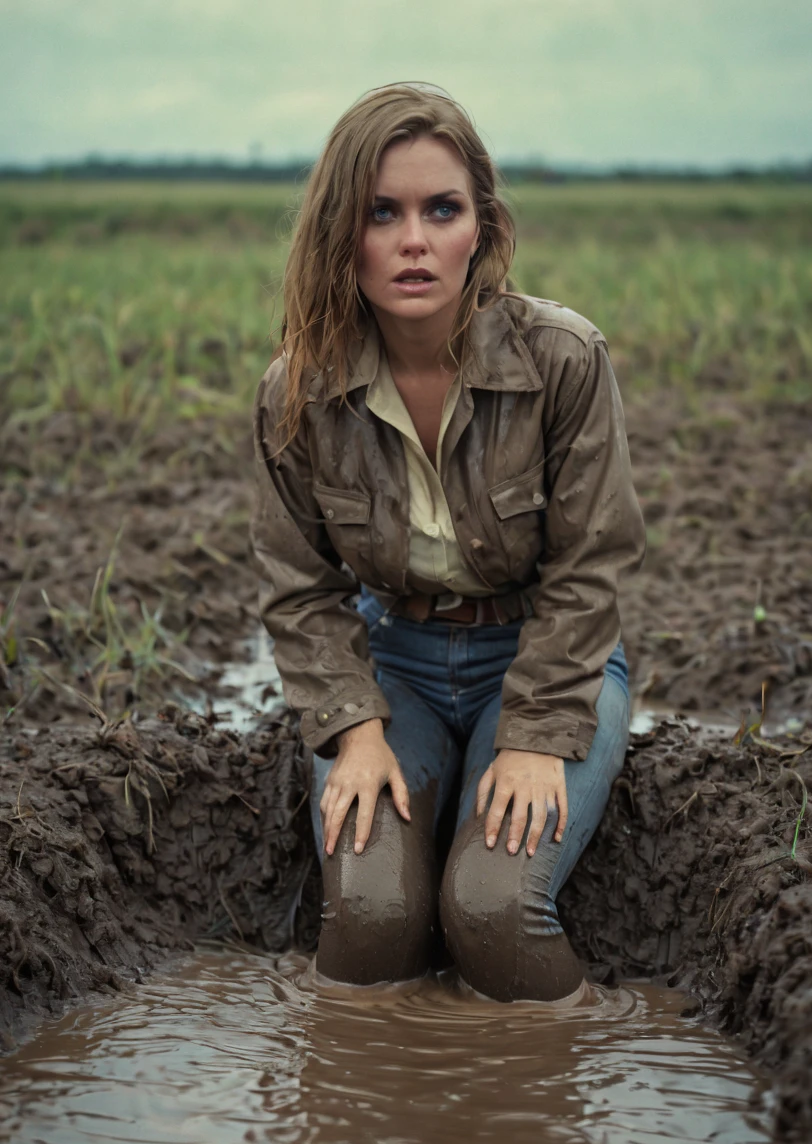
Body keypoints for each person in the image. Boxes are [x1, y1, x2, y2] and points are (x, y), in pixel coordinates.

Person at [250, 82, 645, 1002]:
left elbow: (593, 567)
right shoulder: (295, 393)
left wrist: (539, 733)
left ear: (484, 227)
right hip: (398, 668)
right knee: (372, 925)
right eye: (381, 212)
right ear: (341, 233)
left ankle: (538, 1103)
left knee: (495, 915)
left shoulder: (563, 360)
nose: (414, 240)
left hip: (547, 658)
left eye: (443, 209)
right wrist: (352, 728)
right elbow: (300, 588)